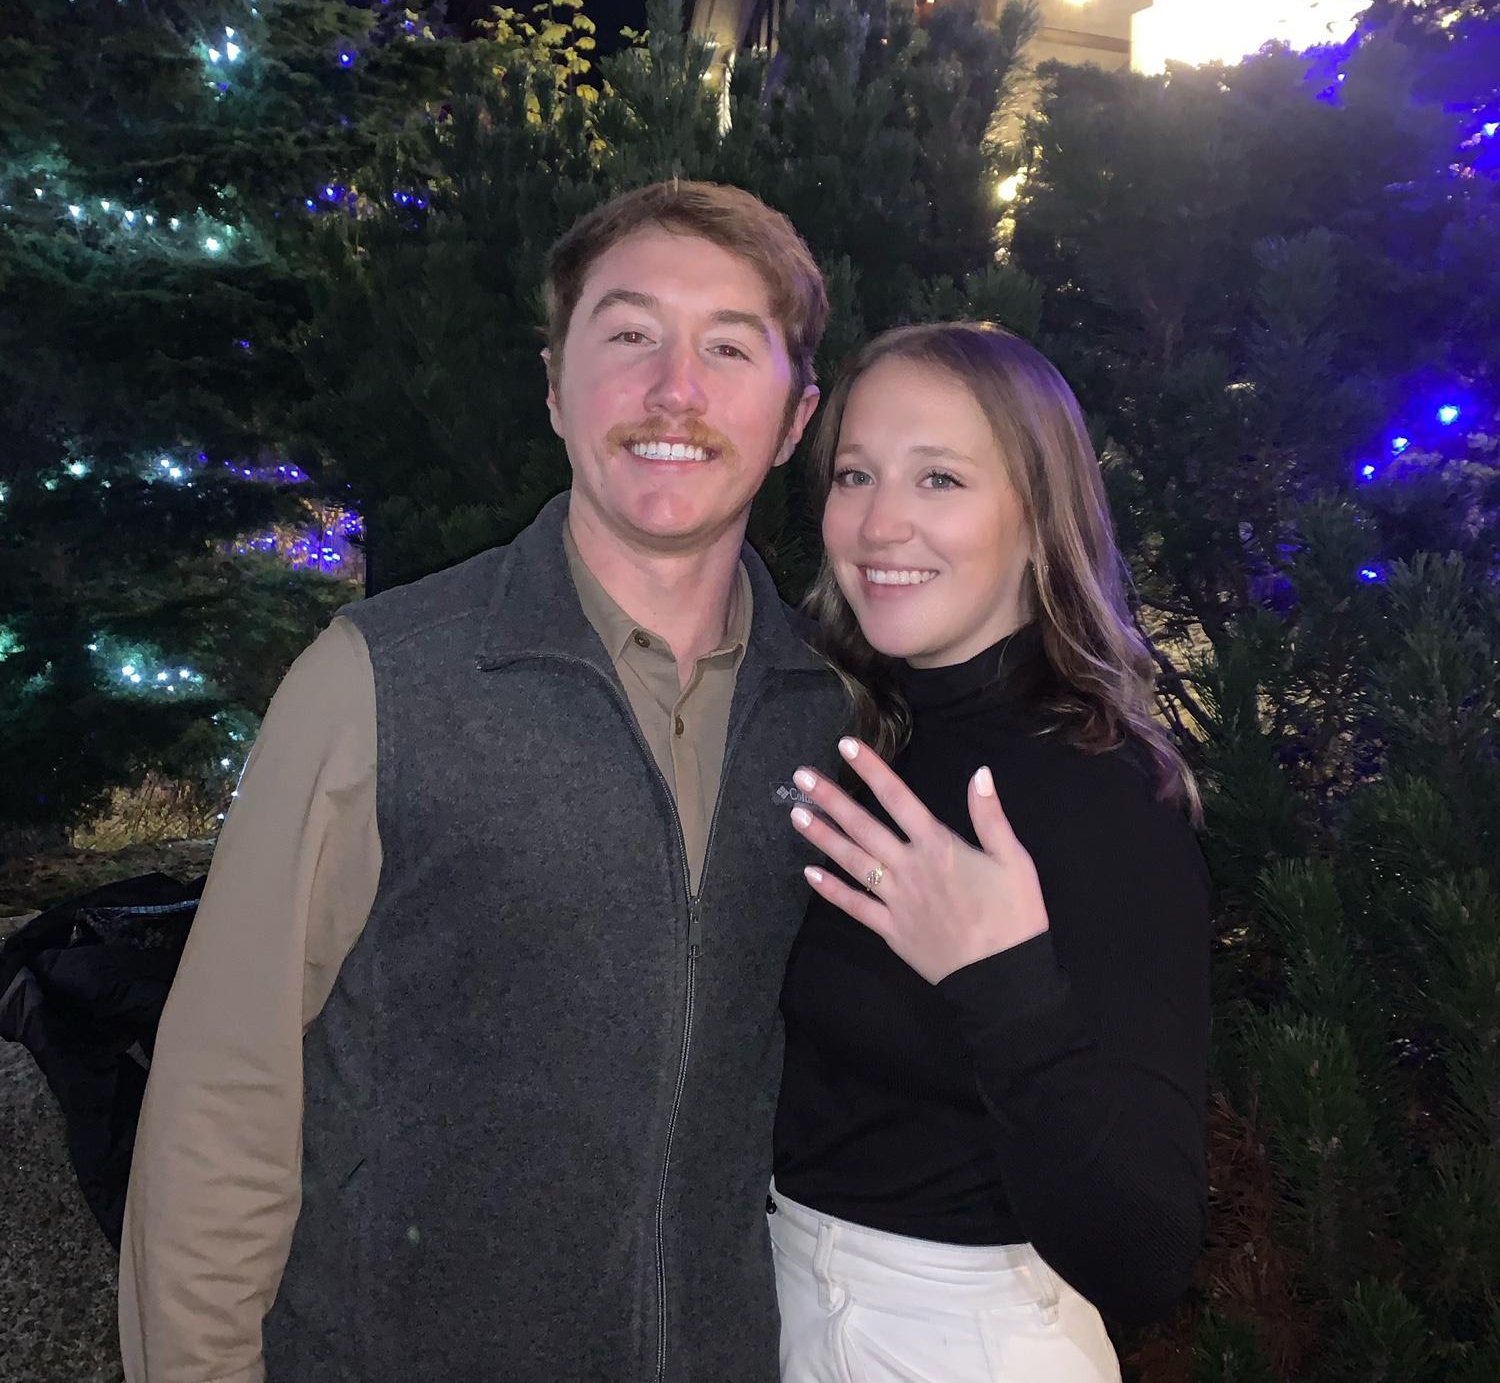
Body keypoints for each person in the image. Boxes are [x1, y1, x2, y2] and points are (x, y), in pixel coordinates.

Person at [119, 180, 849, 1383]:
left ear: (794, 416)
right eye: (628, 335)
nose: (676, 388)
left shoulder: (828, 716)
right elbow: (224, 1099)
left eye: (729, 345)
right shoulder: (378, 685)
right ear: (555, 384)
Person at [770, 323, 1212, 1382]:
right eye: (856, 473)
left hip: (962, 1340)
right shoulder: (848, 725)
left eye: (940, 478)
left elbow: (1145, 1252)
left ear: (1036, 515)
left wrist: (1002, 983)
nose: (881, 522)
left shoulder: (1098, 790)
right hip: (781, 1302)